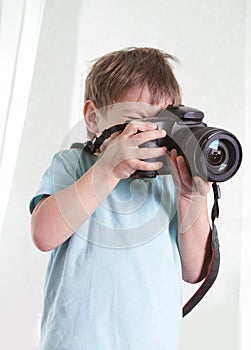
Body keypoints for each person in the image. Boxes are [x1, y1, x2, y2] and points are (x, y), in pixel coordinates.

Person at [30, 47, 211, 350]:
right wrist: (107, 171)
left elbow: (194, 271)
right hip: (75, 341)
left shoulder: (170, 181)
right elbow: (43, 235)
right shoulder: (73, 164)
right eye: (137, 121)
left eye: (163, 122)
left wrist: (191, 196)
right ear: (92, 117)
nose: (152, 133)